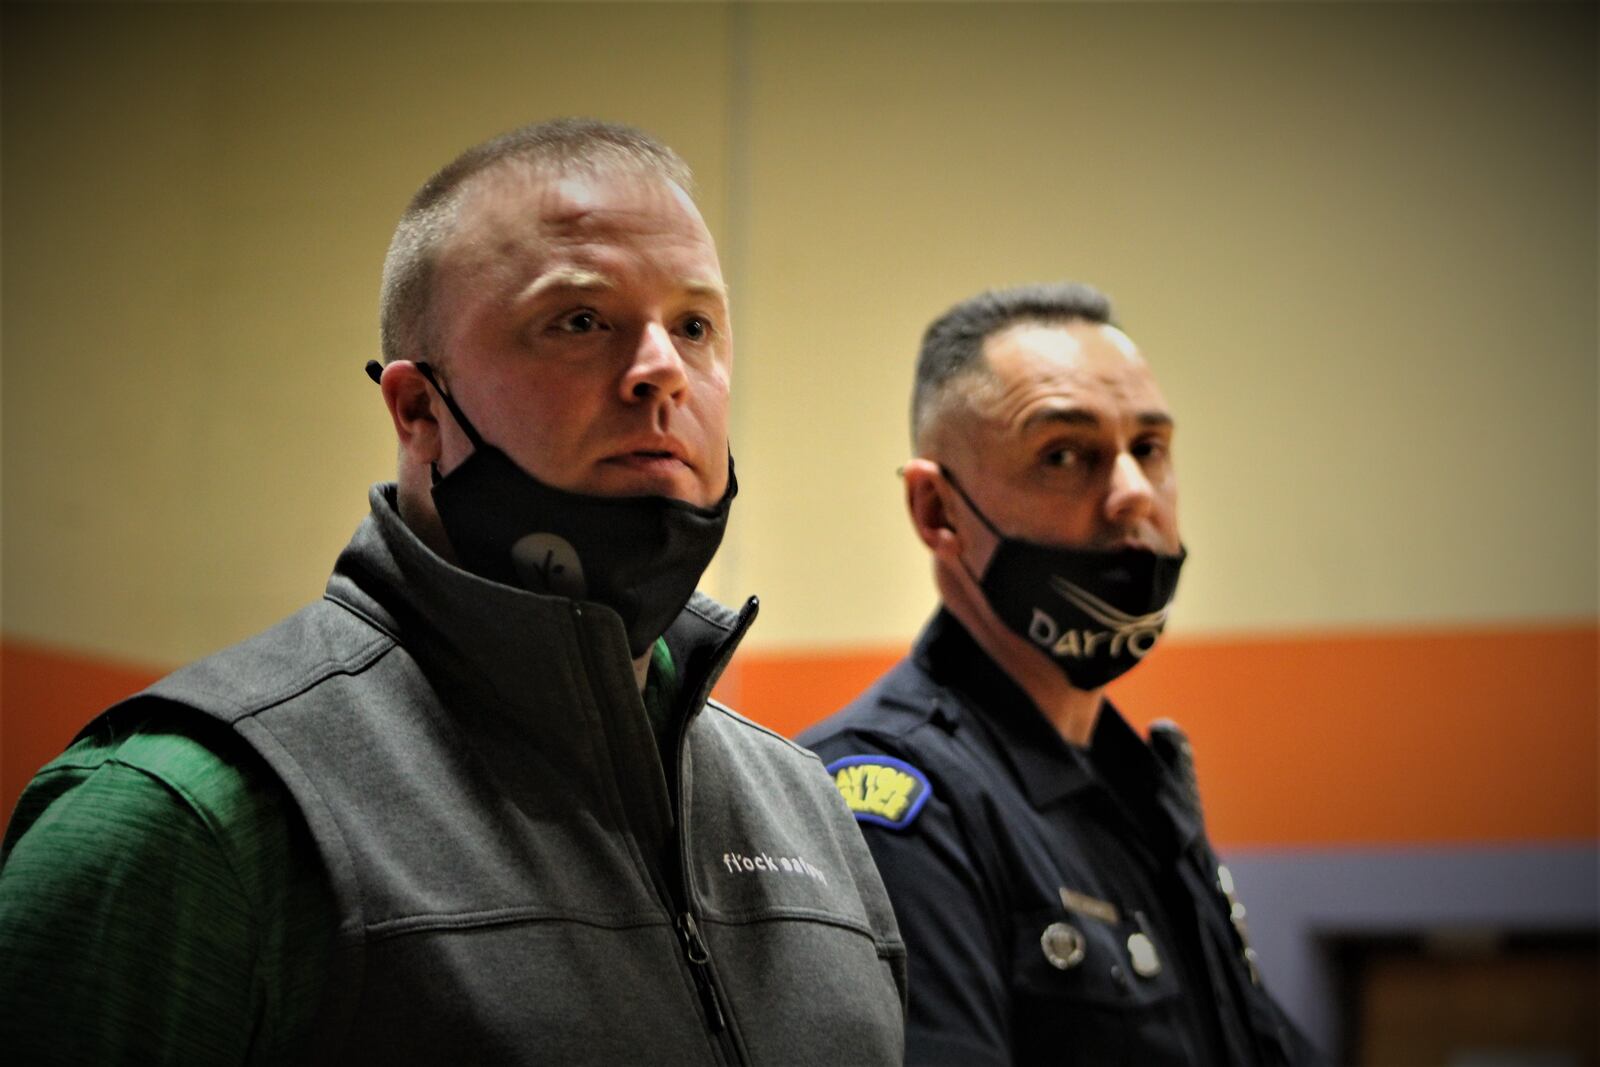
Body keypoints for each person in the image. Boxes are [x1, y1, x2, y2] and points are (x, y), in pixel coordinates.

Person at [0, 119, 906, 1064]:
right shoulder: (184, 816)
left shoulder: (809, 809)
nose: (661, 370)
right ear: (419, 409)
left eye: (694, 324)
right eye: (581, 321)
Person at [802, 282, 1317, 1066]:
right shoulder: (889, 802)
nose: (1133, 494)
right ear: (939, 510)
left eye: (1149, 448)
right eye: (1065, 455)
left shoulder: (1143, 798)